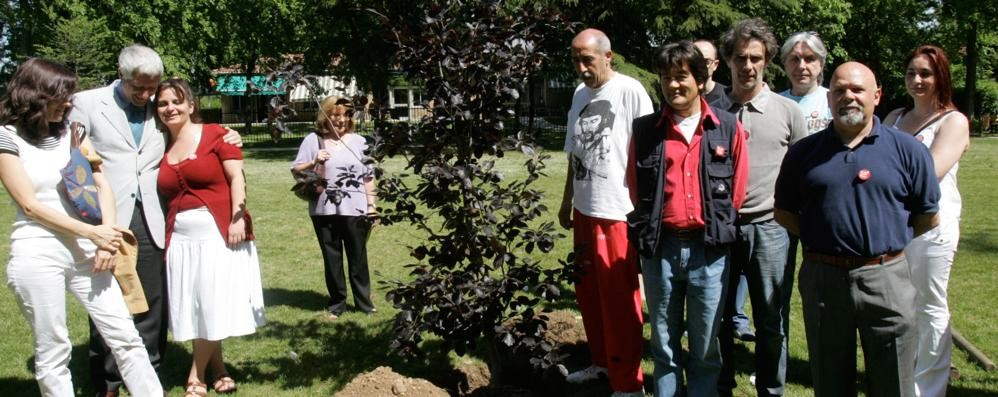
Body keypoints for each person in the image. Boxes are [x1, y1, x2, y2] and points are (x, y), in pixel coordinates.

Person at [68, 44, 240, 396]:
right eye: (140, 88)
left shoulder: (158, 109)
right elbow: (71, 160)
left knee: (150, 302)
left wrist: (228, 135)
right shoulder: (86, 103)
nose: (148, 95)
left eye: (153, 87)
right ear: (122, 76)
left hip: (152, 217)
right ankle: (107, 382)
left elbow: (190, 135)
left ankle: (147, 377)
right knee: (106, 299)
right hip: (106, 217)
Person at [775, 61, 940, 397]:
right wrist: (825, 240)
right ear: (829, 98)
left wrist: (883, 241)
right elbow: (784, 212)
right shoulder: (803, 153)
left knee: (893, 380)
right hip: (823, 279)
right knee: (830, 380)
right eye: (839, 90)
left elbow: (927, 216)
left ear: (876, 96)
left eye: (857, 89)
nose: (847, 97)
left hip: (887, 278)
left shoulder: (907, 150)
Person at [0, 58, 163, 397]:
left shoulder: (72, 133)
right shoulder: (6, 137)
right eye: (64, 96)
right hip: (38, 251)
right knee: (54, 348)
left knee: (126, 337)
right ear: (37, 94)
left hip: (90, 252)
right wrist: (91, 233)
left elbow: (100, 182)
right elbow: (30, 204)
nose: (71, 104)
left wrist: (105, 238)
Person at [627, 40, 749, 397]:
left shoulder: (726, 127)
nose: (672, 85)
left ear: (698, 79)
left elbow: (737, 190)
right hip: (661, 249)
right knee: (664, 343)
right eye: (666, 78)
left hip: (709, 250)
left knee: (706, 345)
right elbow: (636, 189)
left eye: (681, 77)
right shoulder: (646, 130)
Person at [154, 78, 265, 397]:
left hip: (218, 234)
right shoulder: (161, 144)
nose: (170, 108)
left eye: (176, 101)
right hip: (180, 239)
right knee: (198, 304)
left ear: (191, 105)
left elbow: (236, 178)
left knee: (211, 301)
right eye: (162, 104)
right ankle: (219, 369)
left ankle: (196, 376)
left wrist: (236, 217)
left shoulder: (217, 133)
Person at [558, 28, 653, 397]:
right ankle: (601, 363)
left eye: (588, 59)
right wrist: (567, 200)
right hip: (584, 208)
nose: (581, 67)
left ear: (607, 56)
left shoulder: (629, 90)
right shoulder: (579, 94)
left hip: (617, 212)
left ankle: (629, 384)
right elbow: (573, 152)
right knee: (589, 294)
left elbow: (648, 154)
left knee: (619, 300)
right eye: (575, 59)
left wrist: (644, 209)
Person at [717, 18, 807, 397]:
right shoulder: (711, 109)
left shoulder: (789, 112)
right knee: (716, 316)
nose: (748, 66)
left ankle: (772, 389)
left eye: (756, 57)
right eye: (740, 57)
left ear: (767, 60)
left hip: (771, 229)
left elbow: (804, 175)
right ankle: (718, 386)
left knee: (771, 319)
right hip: (718, 228)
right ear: (727, 61)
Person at [884, 45, 970, 397]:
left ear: (940, 78)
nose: (916, 80)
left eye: (925, 74)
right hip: (893, 225)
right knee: (897, 306)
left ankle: (929, 388)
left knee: (930, 305)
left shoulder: (954, 122)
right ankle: (901, 378)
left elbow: (930, 174)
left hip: (933, 227)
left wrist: (881, 177)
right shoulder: (894, 118)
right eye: (911, 73)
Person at [291, 96, 377, 319]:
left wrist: (372, 206)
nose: (341, 120)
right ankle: (337, 303)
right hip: (324, 210)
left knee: (358, 257)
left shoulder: (359, 141)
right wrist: (314, 160)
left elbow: (369, 177)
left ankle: (364, 303)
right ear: (325, 115)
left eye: (347, 115)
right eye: (336, 115)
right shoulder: (313, 140)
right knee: (332, 258)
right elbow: (296, 170)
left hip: (356, 210)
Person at [695, 38, 753, 343]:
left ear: (717, 64)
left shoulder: (721, 102)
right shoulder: (691, 104)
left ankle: (738, 317)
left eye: (706, 60)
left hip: (738, 210)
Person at [779, 32, 833, 135]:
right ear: (785, 63)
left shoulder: (832, 100)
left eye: (809, 59)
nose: (801, 66)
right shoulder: (775, 104)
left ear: (821, 64)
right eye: (795, 59)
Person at [693, 39, 733, 111]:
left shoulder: (727, 98)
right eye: (696, 61)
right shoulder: (681, 97)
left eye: (706, 62)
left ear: (715, 65)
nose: (700, 65)